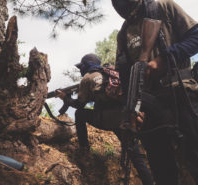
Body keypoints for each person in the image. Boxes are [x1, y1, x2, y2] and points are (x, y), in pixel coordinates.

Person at [106, 0, 198, 185]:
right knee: (163, 173)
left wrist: (164, 59)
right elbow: (126, 77)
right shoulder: (123, 34)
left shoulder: (164, 7)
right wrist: (132, 111)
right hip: (150, 110)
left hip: (180, 95)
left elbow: (197, 40)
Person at [56, 53, 154, 185]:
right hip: (124, 120)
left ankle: (84, 148)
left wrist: (65, 98)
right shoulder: (110, 73)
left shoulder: (87, 77)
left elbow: (79, 104)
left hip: (105, 119)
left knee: (80, 113)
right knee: (137, 159)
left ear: (85, 66)